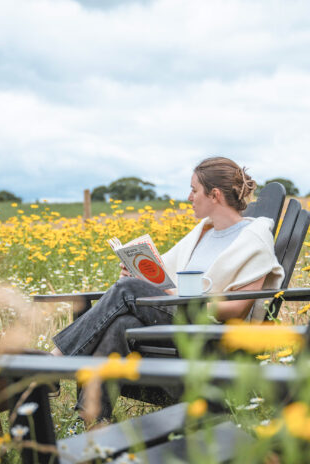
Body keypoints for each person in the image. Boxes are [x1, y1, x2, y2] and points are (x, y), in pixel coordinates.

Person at [51, 157, 284, 418]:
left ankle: (56, 361)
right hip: (179, 321)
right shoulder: (204, 231)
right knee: (120, 324)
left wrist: (172, 294)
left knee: (127, 289)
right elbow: (165, 275)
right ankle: (92, 420)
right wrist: (138, 272)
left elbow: (238, 310)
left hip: (210, 336)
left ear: (214, 195)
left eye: (194, 190)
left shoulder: (253, 240)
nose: (189, 197)